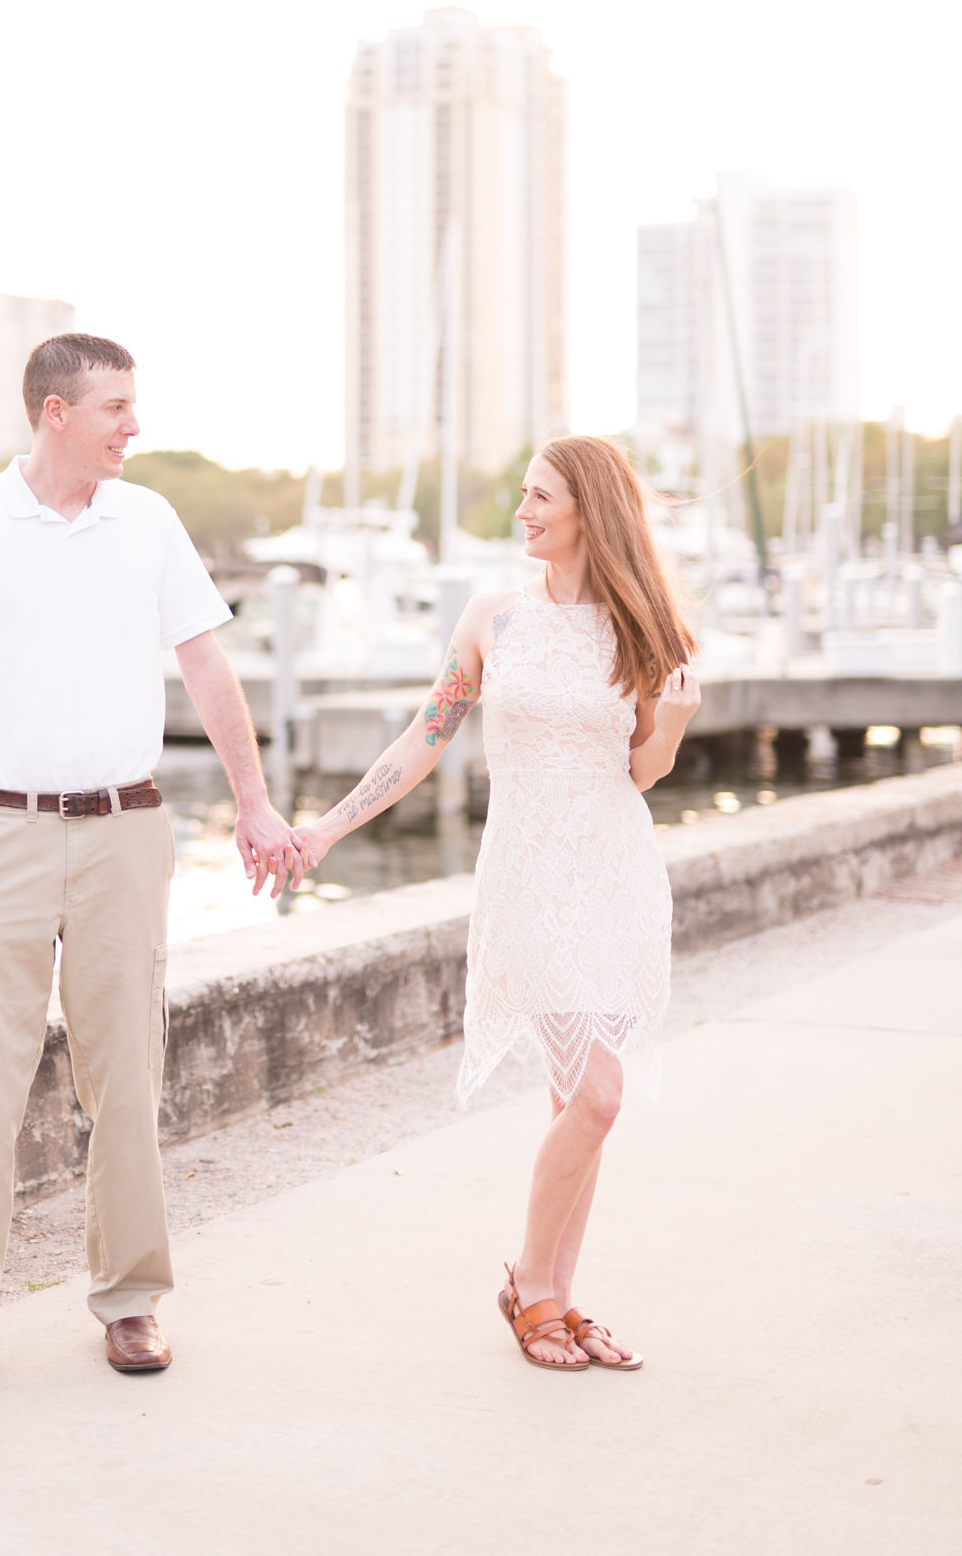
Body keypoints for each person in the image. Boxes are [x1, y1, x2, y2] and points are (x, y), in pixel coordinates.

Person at [0, 333, 303, 1398]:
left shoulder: (149, 521)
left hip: (125, 827)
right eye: (115, 405)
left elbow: (206, 664)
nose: (133, 424)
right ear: (54, 411)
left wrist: (253, 801)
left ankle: (129, 1300)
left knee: (125, 1073)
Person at [298, 436, 700, 1372]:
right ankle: (530, 1284)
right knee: (599, 1098)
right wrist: (325, 830)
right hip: (527, 878)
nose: (522, 511)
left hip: (613, 878)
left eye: (539, 496)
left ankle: (555, 1299)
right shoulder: (495, 620)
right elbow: (422, 740)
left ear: (587, 512)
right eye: (523, 494)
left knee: (578, 1102)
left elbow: (639, 773)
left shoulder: (645, 632)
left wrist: (672, 721)